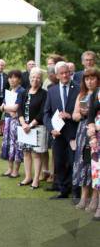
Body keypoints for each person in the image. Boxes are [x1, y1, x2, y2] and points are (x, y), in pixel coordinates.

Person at [43, 61, 80, 199]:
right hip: (57, 134)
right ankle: (63, 191)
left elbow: (82, 112)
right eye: (62, 73)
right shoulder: (51, 90)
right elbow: (46, 113)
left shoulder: (78, 88)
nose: (65, 75)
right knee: (59, 162)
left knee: (73, 162)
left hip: (73, 132)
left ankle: (75, 190)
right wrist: (51, 129)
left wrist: (70, 115)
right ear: (57, 75)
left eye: (67, 73)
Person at [17, 68, 48, 189]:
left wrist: (30, 125)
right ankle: (28, 177)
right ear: (29, 78)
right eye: (33, 77)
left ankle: (36, 180)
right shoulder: (24, 92)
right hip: (24, 127)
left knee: (36, 154)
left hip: (37, 128)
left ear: (41, 80)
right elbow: (19, 108)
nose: (35, 79)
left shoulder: (44, 93)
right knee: (26, 153)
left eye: (38, 77)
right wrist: (23, 123)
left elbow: (42, 112)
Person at [72, 68, 98, 210]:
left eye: (92, 78)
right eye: (87, 79)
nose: (89, 81)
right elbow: (74, 115)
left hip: (95, 132)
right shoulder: (81, 94)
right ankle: (84, 197)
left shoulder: (98, 94)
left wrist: (92, 114)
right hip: (82, 132)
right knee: (83, 163)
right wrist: (82, 113)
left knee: (94, 164)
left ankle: (94, 198)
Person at [0, 70, 26, 178]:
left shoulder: (21, 91)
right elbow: (2, 106)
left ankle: (15, 171)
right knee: (7, 144)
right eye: (10, 77)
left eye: (14, 77)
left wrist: (5, 108)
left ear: (19, 79)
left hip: (17, 122)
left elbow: (16, 108)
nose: (11, 79)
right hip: (8, 121)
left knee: (16, 145)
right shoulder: (10, 90)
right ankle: (9, 169)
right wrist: (5, 109)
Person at [84, 69, 100, 219]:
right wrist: (91, 130)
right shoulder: (97, 93)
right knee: (97, 173)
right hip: (97, 139)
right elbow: (90, 116)